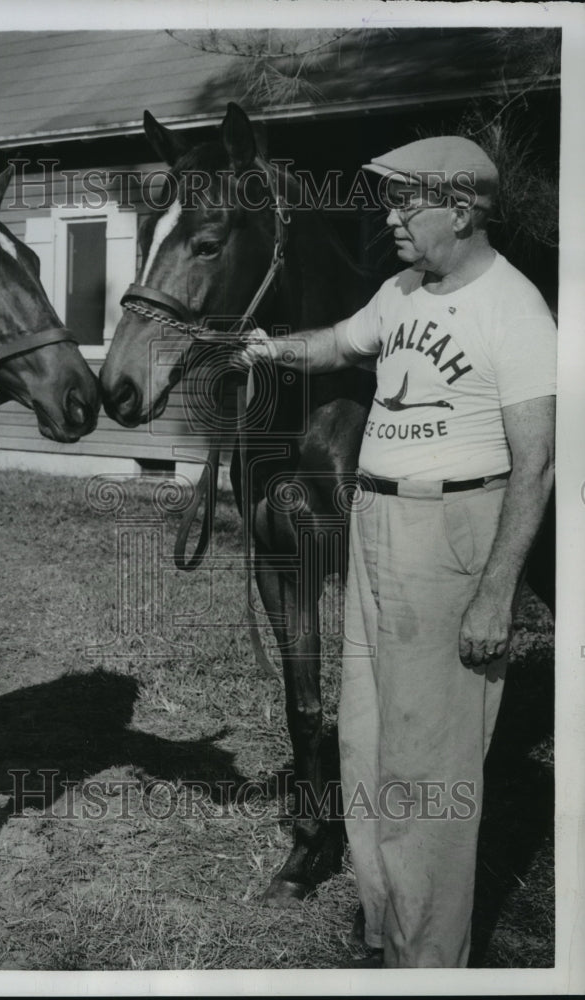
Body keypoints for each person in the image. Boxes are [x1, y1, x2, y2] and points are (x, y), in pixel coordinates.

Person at [238, 136, 557, 968]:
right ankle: (385, 934)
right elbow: (340, 344)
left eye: (404, 201)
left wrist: (496, 594)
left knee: (428, 769)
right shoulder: (402, 289)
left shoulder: (513, 308)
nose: (388, 217)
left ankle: (427, 966)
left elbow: (539, 462)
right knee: (369, 743)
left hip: (449, 534)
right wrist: (272, 349)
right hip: (372, 527)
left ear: (461, 209)